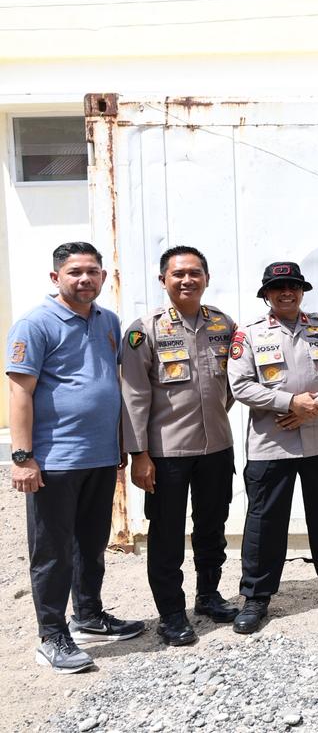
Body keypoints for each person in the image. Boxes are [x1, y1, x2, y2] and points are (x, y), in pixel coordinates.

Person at [7, 242, 144, 673]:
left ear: (102, 275)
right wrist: (22, 457)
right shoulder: (35, 324)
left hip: (99, 456)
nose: (85, 279)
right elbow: (19, 392)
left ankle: (88, 616)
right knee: (52, 551)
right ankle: (51, 635)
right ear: (56, 278)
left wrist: (119, 443)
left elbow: (111, 382)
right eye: (74, 272)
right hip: (54, 460)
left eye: (92, 271)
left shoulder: (108, 320)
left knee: (91, 542)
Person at [227, 261, 318, 634]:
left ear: (302, 290)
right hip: (271, 442)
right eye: (278, 287)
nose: (286, 292)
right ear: (266, 294)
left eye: (293, 286)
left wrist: (316, 406)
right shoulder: (249, 334)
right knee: (265, 522)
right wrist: (290, 403)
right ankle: (256, 597)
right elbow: (240, 385)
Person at [120, 246, 240, 646]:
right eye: (178, 274)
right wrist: (139, 455)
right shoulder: (144, 331)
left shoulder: (223, 324)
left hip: (216, 447)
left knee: (212, 527)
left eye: (195, 273)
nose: (187, 280)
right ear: (163, 280)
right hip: (166, 454)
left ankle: (209, 595)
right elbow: (134, 395)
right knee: (166, 536)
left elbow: (232, 384)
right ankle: (171, 614)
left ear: (206, 278)